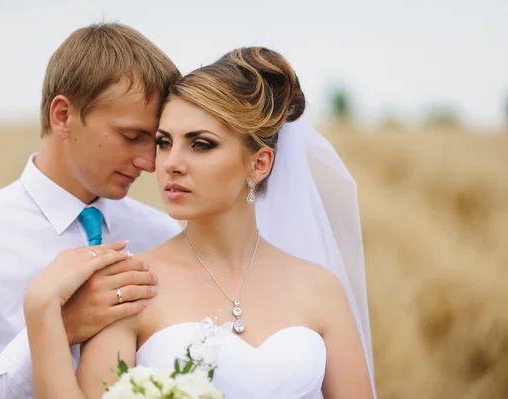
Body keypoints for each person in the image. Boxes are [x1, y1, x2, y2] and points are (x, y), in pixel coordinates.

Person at [24, 47, 377, 398]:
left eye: (201, 144)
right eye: (164, 142)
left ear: (259, 164)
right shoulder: (131, 286)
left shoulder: (321, 288)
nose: (169, 163)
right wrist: (41, 310)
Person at [0, 23, 183, 399]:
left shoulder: (165, 236)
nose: (149, 162)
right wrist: (55, 330)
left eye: (155, 142)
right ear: (63, 115)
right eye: (131, 136)